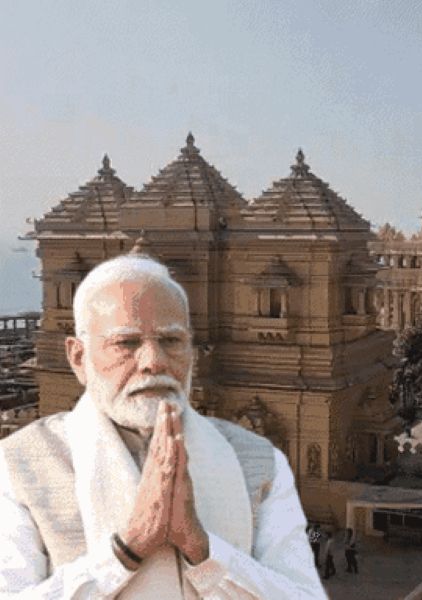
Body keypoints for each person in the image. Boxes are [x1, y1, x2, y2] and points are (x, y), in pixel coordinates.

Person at [0, 254, 326, 598]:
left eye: (171, 341)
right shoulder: (19, 465)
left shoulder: (258, 461)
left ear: (192, 352)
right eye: (126, 343)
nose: (153, 361)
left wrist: (203, 550)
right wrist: (127, 550)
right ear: (79, 358)